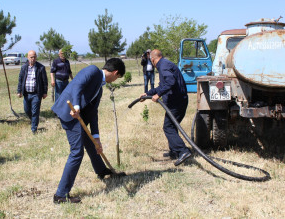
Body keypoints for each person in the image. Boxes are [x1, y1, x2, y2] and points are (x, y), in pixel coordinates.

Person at [52, 58, 126, 204]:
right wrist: (77, 106)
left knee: (92, 144)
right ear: (116, 72)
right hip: (70, 112)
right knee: (77, 152)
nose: (116, 80)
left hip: (79, 115)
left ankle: (102, 171)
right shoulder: (92, 70)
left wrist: (96, 137)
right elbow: (77, 86)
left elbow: (93, 113)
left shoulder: (99, 87)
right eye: (118, 77)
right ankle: (60, 195)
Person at [139, 49, 191, 166]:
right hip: (177, 101)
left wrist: (158, 95)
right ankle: (175, 151)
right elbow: (162, 85)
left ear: (152, 60)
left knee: (168, 127)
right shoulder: (165, 64)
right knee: (171, 126)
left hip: (177, 103)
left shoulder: (163, 66)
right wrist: (148, 93)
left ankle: (183, 151)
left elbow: (170, 81)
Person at [17, 50, 48, 134]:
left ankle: (34, 128)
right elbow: (20, 80)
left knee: (35, 111)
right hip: (26, 93)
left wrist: (45, 92)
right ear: (28, 57)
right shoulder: (24, 67)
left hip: (36, 94)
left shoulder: (40, 67)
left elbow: (44, 81)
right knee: (27, 110)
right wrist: (19, 91)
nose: (33, 59)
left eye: (34, 57)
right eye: (31, 57)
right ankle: (34, 120)